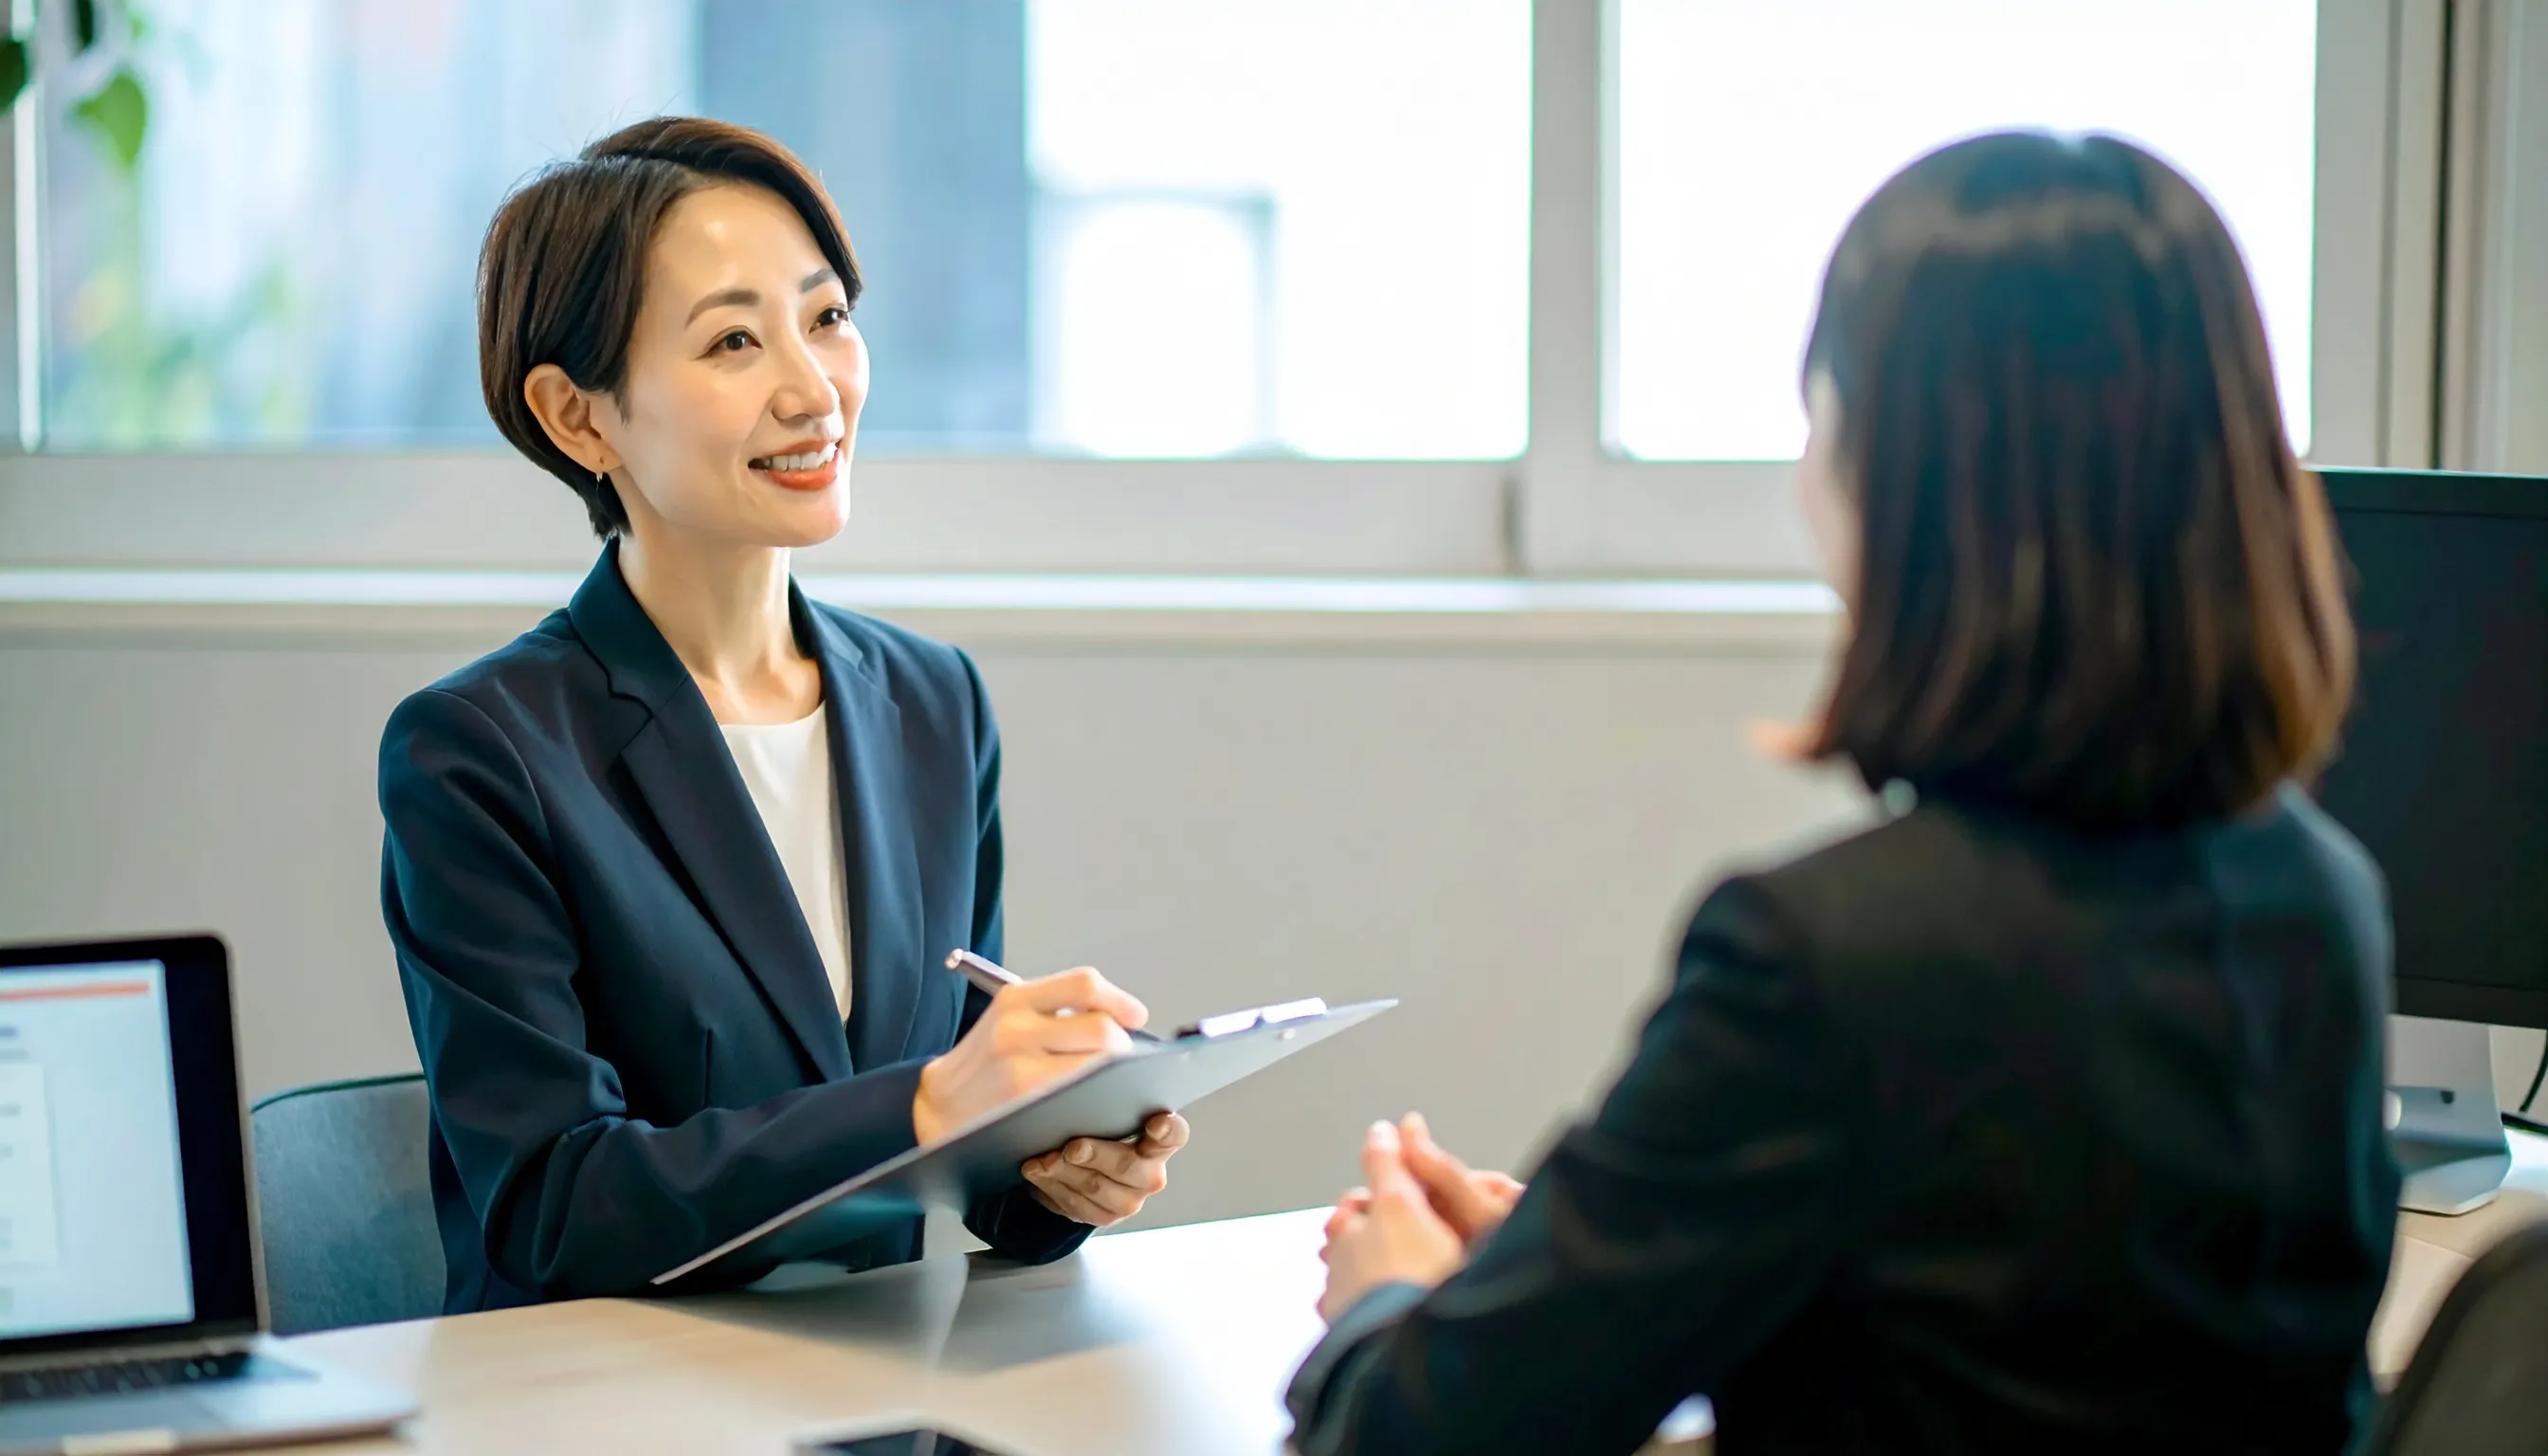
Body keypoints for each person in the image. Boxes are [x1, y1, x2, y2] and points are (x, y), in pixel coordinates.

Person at [1287, 131, 2397, 1455]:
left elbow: (1410, 1440)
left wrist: (1386, 1300)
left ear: (1891, 478)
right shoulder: (2321, 898)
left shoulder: (1827, 962)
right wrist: (1572, 1283)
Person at [378, 118, 1186, 1313]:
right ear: (578, 416)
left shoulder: (932, 704)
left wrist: (1051, 1168)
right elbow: (555, 1206)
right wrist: (926, 1104)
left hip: (878, 1378)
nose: (814, 391)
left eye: (827, 318)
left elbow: (955, 1136)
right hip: (601, 1390)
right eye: (734, 341)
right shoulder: (479, 751)